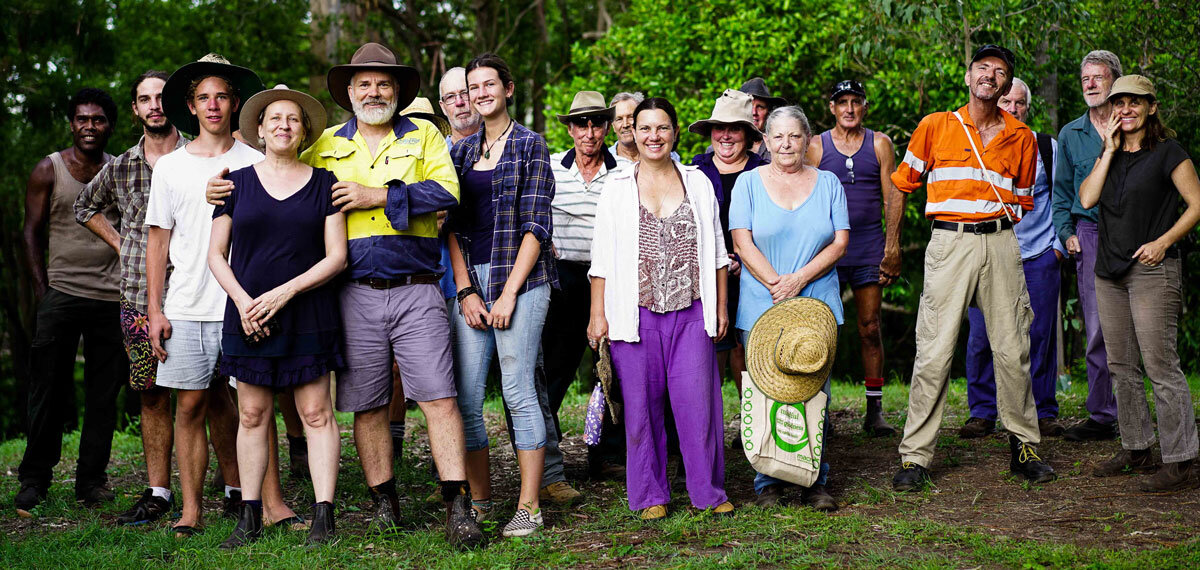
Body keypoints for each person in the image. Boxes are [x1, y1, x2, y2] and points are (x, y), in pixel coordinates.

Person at [146, 54, 303, 537]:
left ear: (236, 103)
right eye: (203, 98)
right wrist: (154, 309)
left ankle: (273, 504)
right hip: (188, 304)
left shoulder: (257, 161)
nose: (213, 105)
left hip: (246, 304)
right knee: (190, 407)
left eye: (222, 96)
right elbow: (158, 241)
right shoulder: (170, 168)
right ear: (190, 107)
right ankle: (191, 509)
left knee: (256, 409)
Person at [890, 45, 1055, 491]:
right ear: (968, 76)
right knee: (934, 352)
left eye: (1000, 72)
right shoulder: (936, 126)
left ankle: (1025, 447)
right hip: (949, 242)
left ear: (1006, 85)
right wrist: (892, 247)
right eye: (983, 68)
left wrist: (992, 225)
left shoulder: (1021, 136)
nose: (990, 75)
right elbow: (902, 184)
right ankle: (915, 458)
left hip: (1002, 244)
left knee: (1013, 350)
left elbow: (1022, 200)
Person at [208, 85, 346, 547]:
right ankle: (249, 516)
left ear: (304, 130)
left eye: (293, 119)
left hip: (308, 310)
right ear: (260, 130)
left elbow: (336, 257)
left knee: (315, 412)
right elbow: (215, 255)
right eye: (275, 119)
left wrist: (285, 293)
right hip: (248, 314)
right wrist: (245, 303)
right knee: (251, 414)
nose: (284, 125)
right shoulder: (235, 184)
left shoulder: (325, 183)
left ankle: (324, 517)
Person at [587, 96, 734, 520]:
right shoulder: (617, 188)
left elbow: (719, 251)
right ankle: (650, 495)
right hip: (635, 313)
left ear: (674, 132)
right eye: (645, 128)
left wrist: (721, 305)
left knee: (698, 405)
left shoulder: (699, 182)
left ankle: (707, 491)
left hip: (692, 310)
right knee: (641, 409)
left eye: (662, 128)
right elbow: (601, 258)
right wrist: (598, 314)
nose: (654, 136)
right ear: (633, 132)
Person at [446, 52, 557, 538]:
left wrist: (508, 293)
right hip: (473, 282)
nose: (481, 93)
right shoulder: (460, 154)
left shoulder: (532, 146)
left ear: (507, 90)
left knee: (517, 390)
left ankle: (529, 506)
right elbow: (447, 227)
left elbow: (536, 225)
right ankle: (483, 501)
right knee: (466, 398)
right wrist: (467, 290)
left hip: (523, 282)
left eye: (490, 84)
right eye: (474, 87)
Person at [72, 71, 189, 524]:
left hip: (197, 291)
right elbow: (85, 206)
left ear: (176, 103)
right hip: (139, 297)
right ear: (136, 110)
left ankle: (236, 487)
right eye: (145, 99)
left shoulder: (198, 153)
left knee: (214, 393)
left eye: (161, 97)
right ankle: (159, 491)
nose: (155, 105)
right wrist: (125, 245)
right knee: (152, 394)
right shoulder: (121, 165)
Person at [1078, 75, 1200, 491]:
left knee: (1160, 365)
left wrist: (1164, 241)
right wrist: (1108, 150)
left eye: (1134, 102)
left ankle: (1181, 459)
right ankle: (1136, 446)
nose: (1125, 110)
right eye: (1119, 103)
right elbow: (1087, 200)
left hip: (1151, 271)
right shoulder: (1109, 152)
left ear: (1151, 107)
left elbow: (1197, 204)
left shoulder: (1169, 153)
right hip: (1109, 272)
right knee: (1121, 366)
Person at [730, 105, 847, 510]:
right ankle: (768, 483)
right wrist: (777, 283)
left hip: (817, 302)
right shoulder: (747, 183)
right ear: (765, 141)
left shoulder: (829, 182)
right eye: (777, 136)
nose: (785, 144)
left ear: (807, 141)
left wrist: (799, 280)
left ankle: (815, 479)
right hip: (763, 303)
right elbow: (742, 241)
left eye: (794, 136)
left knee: (815, 393)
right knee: (766, 394)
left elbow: (840, 242)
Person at [16, 87, 125, 517]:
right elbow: (30, 232)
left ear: (110, 126)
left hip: (111, 295)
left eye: (98, 120)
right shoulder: (49, 169)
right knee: (48, 389)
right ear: (71, 123)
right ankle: (34, 480)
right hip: (60, 293)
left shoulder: (118, 170)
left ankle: (91, 481)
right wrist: (44, 291)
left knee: (103, 393)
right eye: (82, 119)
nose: (89, 127)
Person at [961, 78, 1066, 439]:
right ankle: (983, 410)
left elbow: (1061, 198)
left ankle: (1043, 409)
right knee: (980, 336)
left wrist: (1057, 248)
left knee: (1038, 335)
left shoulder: (1045, 146)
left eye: (1020, 103)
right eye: (1007, 101)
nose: (1013, 108)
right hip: (986, 254)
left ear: (1027, 108)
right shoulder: (975, 143)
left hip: (1037, 255)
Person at [806, 79, 904, 437]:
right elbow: (805, 196)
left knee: (870, 327)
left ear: (865, 106)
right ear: (831, 108)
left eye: (855, 102)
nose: (849, 108)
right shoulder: (816, 146)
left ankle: (874, 409)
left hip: (866, 247)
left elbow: (892, 195)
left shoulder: (879, 143)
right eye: (842, 102)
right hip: (827, 251)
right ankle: (820, 409)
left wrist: (892, 247)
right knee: (822, 330)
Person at [545, 91, 631, 485]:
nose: (590, 131)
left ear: (608, 125)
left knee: (610, 370)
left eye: (598, 122)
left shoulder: (625, 171)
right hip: (562, 277)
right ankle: (546, 458)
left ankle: (607, 455)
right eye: (582, 123)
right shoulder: (550, 169)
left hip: (609, 280)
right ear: (570, 128)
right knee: (555, 368)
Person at [1051, 50, 1123, 442]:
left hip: (1133, 234)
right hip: (1090, 233)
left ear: (1115, 81)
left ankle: (1132, 411)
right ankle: (1102, 415)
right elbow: (1061, 193)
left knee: (1134, 326)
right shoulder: (1070, 134)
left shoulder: (1132, 123)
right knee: (1096, 328)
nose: (1091, 84)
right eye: (1086, 79)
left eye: (1099, 77)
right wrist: (1067, 232)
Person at [689, 89, 764, 392]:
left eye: (735, 128)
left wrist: (748, 262)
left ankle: (752, 427)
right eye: (720, 127)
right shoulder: (695, 171)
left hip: (757, 276)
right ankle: (711, 433)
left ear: (747, 134)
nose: (726, 135)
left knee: (751, 353)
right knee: (710, 353)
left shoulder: (763, 172)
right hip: (706, 276)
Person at [609, 92, 680, 163]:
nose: (625, 124)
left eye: (630, 117)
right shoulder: (605, 160)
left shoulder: (670, 155)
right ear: (613, 126)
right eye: (619, 119)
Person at [737, 77, 787, 160]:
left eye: (760, 107)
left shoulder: (781, 148)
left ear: (769, 112)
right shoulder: (720, 149)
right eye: (749, 106)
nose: (754, 112)